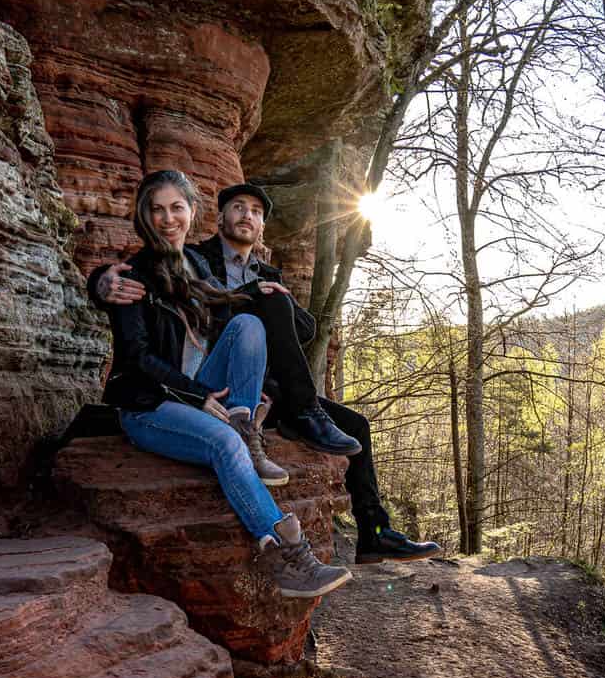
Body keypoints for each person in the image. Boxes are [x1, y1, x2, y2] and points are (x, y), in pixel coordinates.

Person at [93, 181, 441, 563]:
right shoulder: (198, 257)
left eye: (256, 212)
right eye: (238, 207)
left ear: (262, 228)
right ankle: (295, 422)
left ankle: (375, 533)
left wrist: (276, 300)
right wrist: (99, 283)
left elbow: (305, 330)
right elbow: (140, 278)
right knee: (258, 324)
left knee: (356, 425)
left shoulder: (266, 271)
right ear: (218, 217)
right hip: (214, 378)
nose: (247, 216)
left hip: (264, 384)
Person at [101, 169, 351, 598]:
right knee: (224, 443)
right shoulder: (131, 277)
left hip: (197, 386)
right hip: (150, 404)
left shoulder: (197, 264)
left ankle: (246, 428)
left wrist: (267, 295)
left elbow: (231, 306)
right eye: (157, 210)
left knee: (250, 325)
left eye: (176, 208)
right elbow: (138, 359)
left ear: (191, 211)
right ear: (144, 215)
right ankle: (285, 555)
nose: (167, 219)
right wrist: (199, 397)